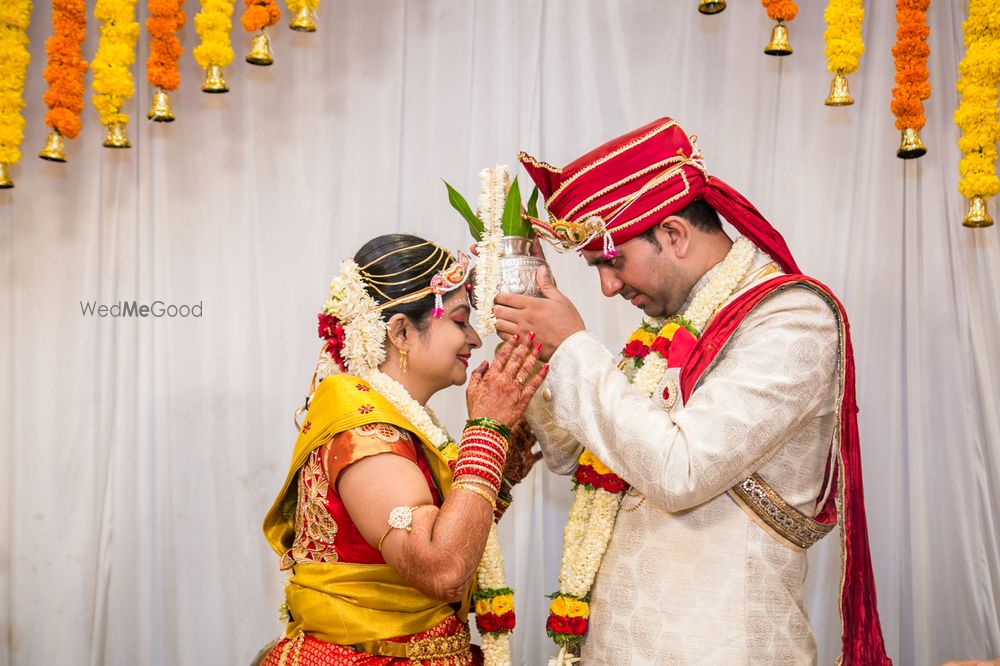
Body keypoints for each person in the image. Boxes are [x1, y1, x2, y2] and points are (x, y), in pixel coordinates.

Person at [493, 119, 892, 664]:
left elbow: (679, 471)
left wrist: (573, 345)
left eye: (611, 261)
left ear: (675, 235)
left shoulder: (792, 320)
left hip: (718, 647)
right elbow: (573, 455)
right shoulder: (667, 328)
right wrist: (542, 351)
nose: (607, 287)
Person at [260, 234, 547, 665]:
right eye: (458, 319)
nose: (474, 339)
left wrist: (499, 474)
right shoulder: (365, 432)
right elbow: (442, 568)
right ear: (400, 331)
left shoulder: (406, 424)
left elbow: (448, 538)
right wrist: (487, 432)